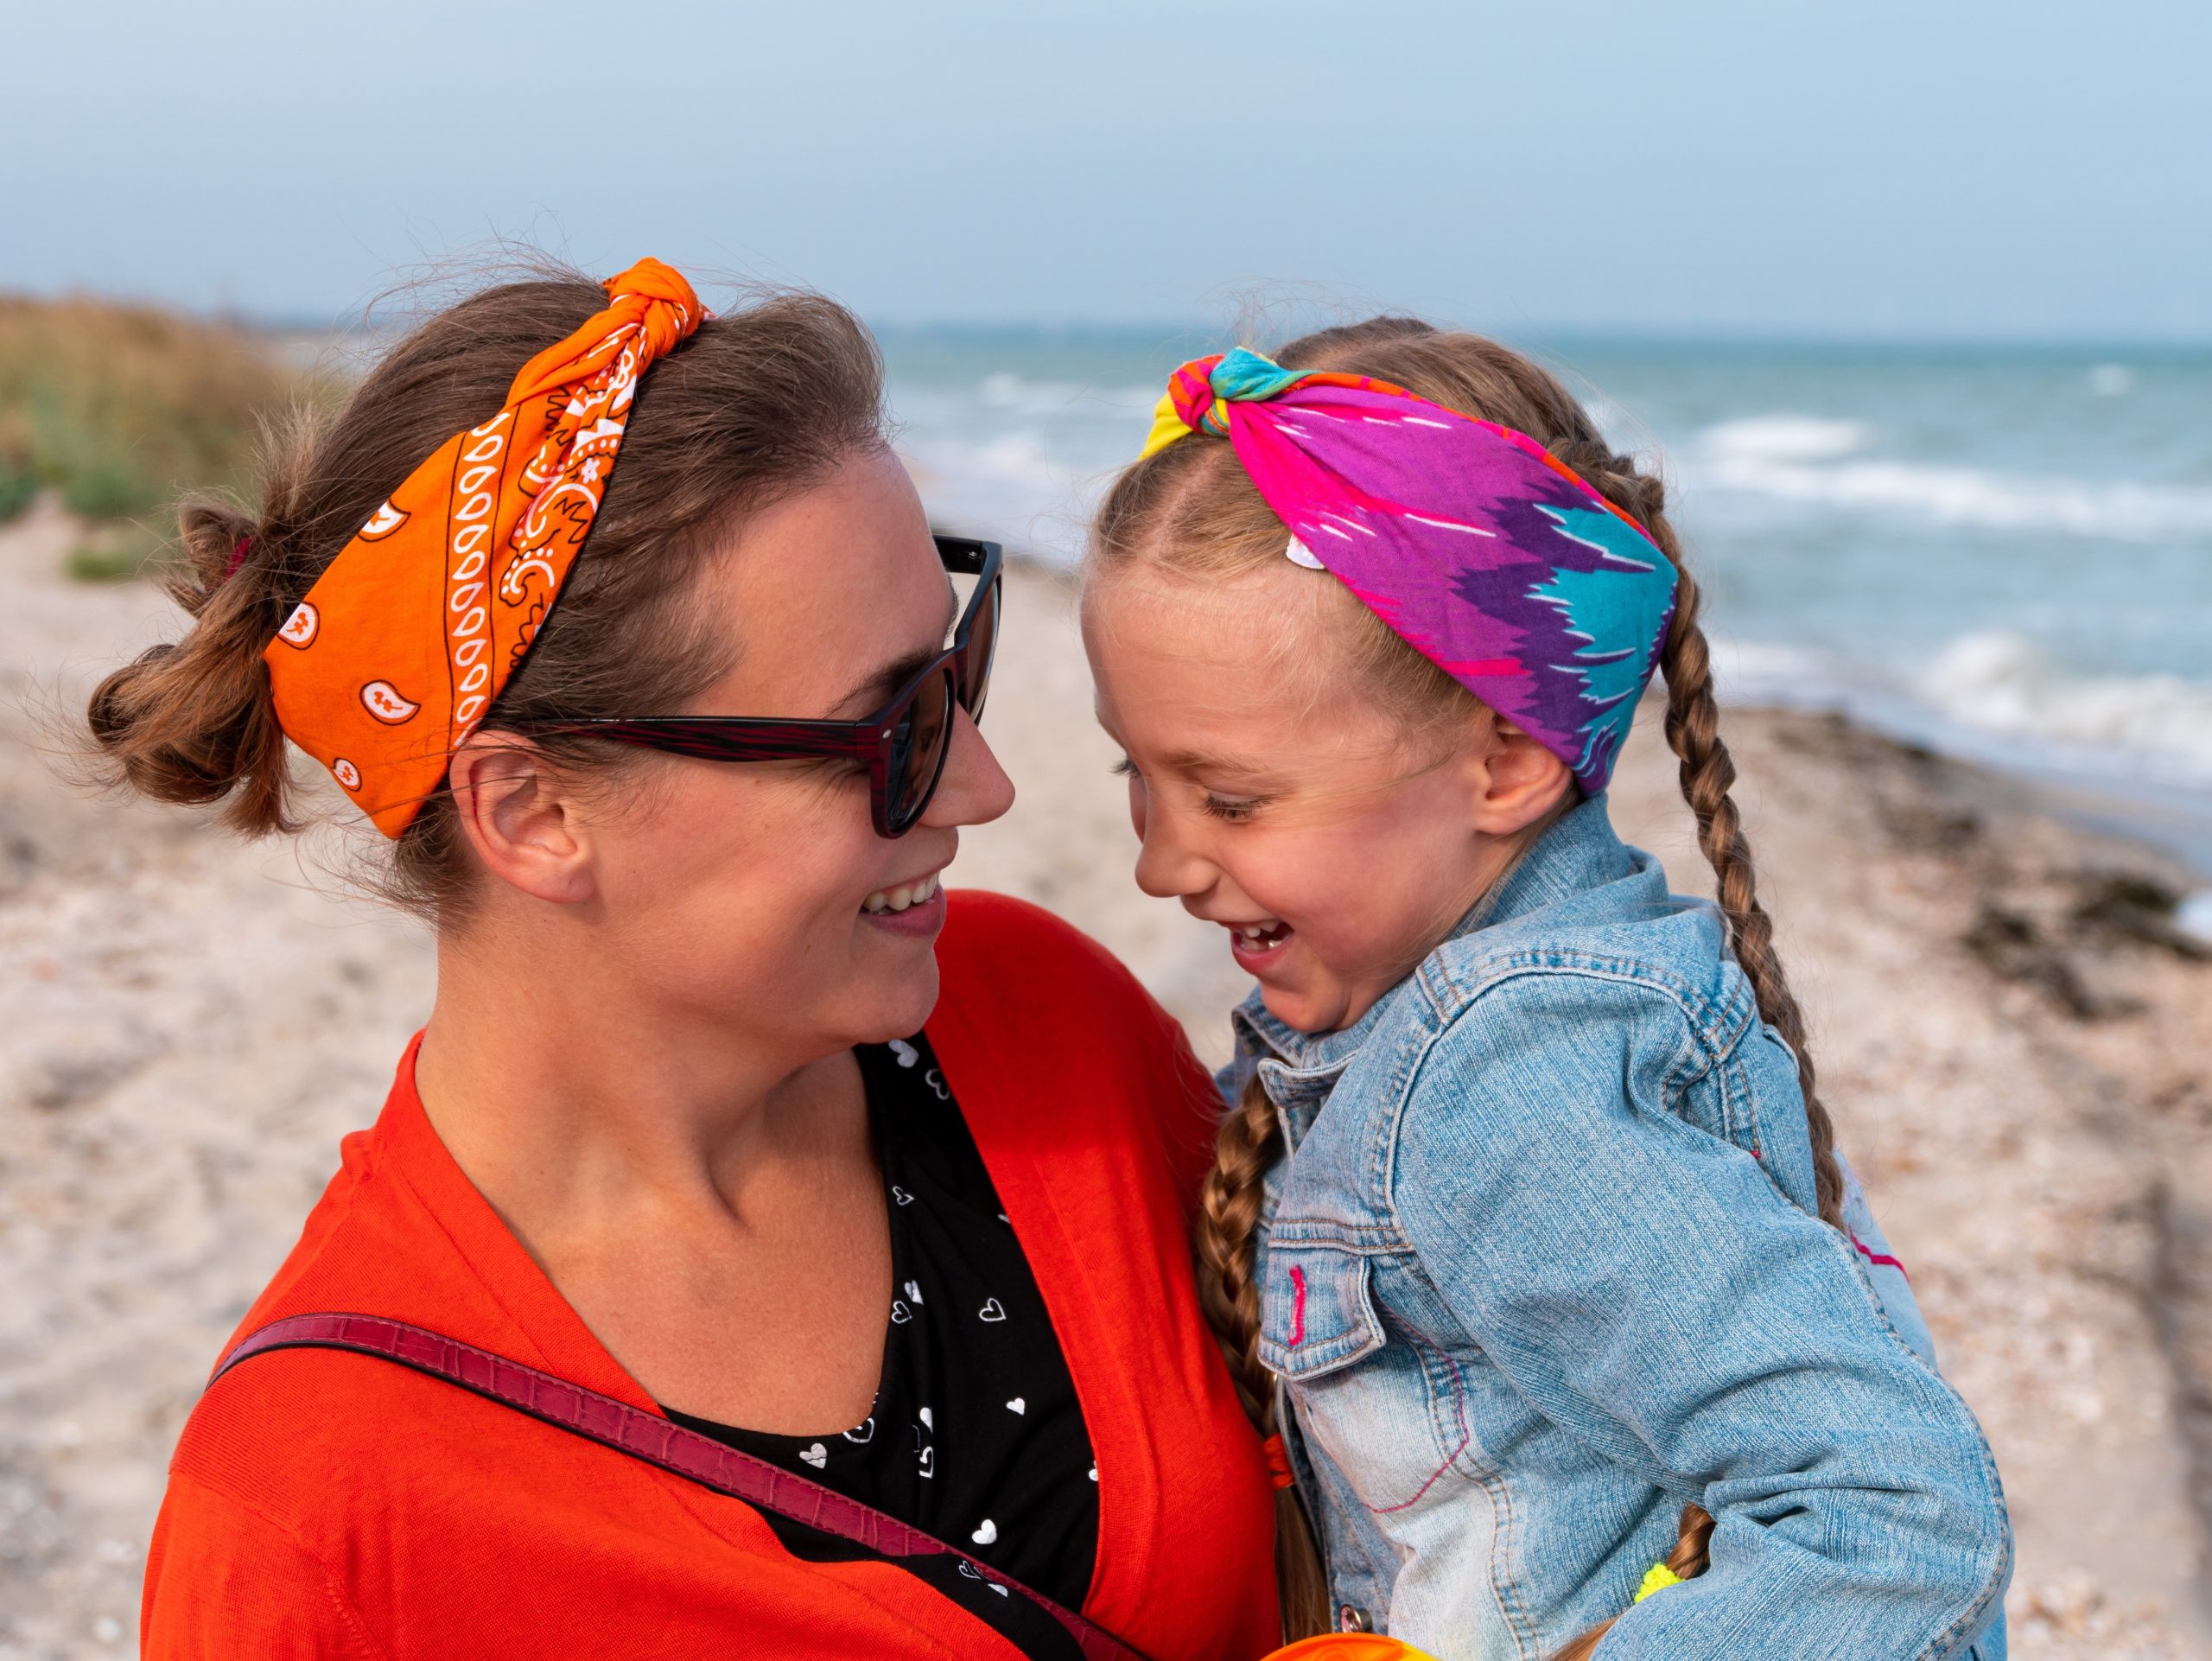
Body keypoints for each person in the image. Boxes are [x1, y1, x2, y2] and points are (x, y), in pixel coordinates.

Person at [92, 259, 1280, 1660]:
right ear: (532, 813)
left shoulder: (1041, 1018)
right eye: (887, 731)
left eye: (955, 669)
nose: (983, 784)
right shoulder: (316, 1513)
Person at [1079, 325, 2012, 1658]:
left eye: (1230, 798)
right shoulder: (1419, 1004)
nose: (1161, 861)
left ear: (1506, 762)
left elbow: (1900, 1515)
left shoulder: (1510, 1075)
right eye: (1137, 774)